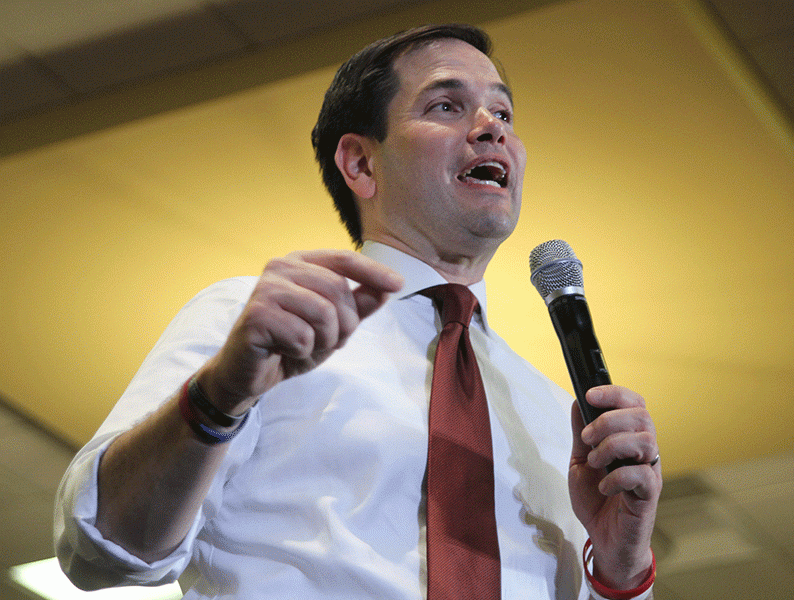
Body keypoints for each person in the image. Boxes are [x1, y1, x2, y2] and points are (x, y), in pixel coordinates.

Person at [55, 23, 661, 599]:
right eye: (446, 106)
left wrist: (620, 565)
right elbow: (102, 550)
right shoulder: (259, 326)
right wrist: (219, 397)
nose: (490, 128)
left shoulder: (559, 414)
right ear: (361, 164)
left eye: (502, 112)